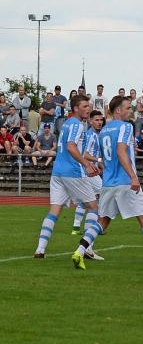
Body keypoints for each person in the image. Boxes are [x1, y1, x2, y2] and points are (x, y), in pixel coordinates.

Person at [71, 95, 143, 273]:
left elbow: (106, 157)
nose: (130, 111)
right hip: (125, 182)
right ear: (118, 110)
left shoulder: (104, 130)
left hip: (108, 183)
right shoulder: (126, 126)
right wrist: (133, 176)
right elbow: (121, 151)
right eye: (127, 108)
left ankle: (79, 251)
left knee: (103, 221)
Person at [33, 94, 100, 259]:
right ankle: (87, 248)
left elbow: (73, 147)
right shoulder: (77, 124)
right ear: (76, 108)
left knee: (54, 211)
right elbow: (71, 147)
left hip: (57, 172)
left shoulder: (66, 124)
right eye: (85, 106)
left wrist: (93, 161)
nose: (88, 109)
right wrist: (86, 164)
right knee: (93, 207)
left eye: (89, 106)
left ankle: (40, 250)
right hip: (73, 172)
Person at [71, 110, 104, 239]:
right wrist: (99, 161)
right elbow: (83, 154)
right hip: (87, 171)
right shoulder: (89, 135)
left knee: (87, 199)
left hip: (91, 170)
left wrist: (100, 164)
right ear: (90, 121)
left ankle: (76, 227)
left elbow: (94, 155)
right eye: (97, 120)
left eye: (101, 120)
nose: (100, 122)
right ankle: (95, 226)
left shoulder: (96, 135)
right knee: (103, 193)